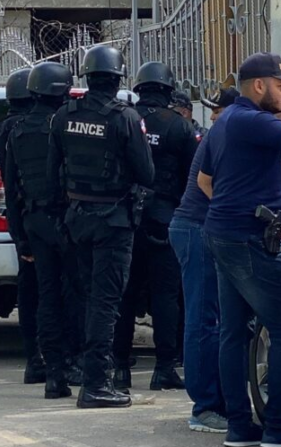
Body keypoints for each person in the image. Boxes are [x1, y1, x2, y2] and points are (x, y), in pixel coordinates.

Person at [48, 46, 154, 408]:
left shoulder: (64, 115)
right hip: (113, 221)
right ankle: (95, 384)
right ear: (117, 79)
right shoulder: (126, 118)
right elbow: (147, 173)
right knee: (106, 303)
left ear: (88, 77)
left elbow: (52, 173)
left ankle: (85, 372)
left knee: (86, 297)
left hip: (77, 218)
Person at [198, 52, 281, 447]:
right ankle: (276, 430)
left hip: (223, 233)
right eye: (280, 86)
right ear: (260, 85)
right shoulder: (254, 121)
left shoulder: (225, 121)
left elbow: (205, 180)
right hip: (247, 237)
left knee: (233, 332)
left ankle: (239, 428)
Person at [113, 62, 197, 392]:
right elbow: (192, 178)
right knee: (166, 296)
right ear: (167, 89)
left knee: (125, 293)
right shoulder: (180, 126)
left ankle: (120, 368)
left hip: (125, 219)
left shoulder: (124, 118)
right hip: (165, 220)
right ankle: (163, 367)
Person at [5, 62, 82, 398]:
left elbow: (11, 188)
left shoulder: (17, 130)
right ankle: (72, 361)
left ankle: (52, 372)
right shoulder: (64, 124)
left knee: (46, 295)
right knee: (74, 292)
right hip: (66, 218)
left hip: (34, 222)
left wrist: (19, 236)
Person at [168, 98, 233, 433]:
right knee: (204, 320)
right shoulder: (230, 132)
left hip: (201, 228)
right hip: (198, 228)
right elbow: (209, 185)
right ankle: (205, 408)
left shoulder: (230, 129)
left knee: (218, 319)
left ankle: (220, 401)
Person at [0, 67, 46, 385]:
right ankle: (49, 357)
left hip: (22, 216)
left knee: (29, 290)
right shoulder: (31, 126)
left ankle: (34, 358)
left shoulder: (5, 127)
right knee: (48, 291)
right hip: (43, 215)